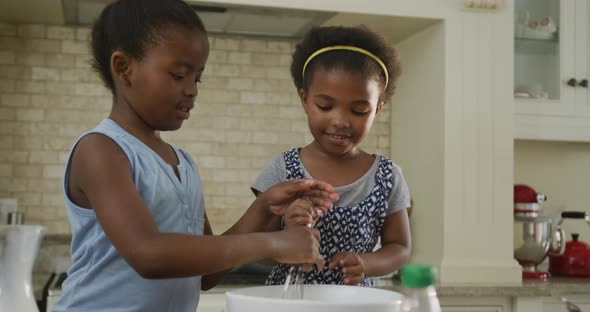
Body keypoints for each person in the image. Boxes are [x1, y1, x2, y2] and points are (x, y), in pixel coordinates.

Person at [52, 1, 338, 311]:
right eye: (178, 75)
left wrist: (263, 207)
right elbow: (148, 254)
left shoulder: (182, 163)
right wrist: (272, 243)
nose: (192, 90)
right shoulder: (101, 150)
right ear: (124, 68)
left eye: (197, 78)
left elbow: (205, 274)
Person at [252, 25, 412, 287]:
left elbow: (400, 248)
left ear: (377, 109)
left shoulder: (387, 176)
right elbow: (255, 247)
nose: (340, 121)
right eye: (325, 106)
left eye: (359, 110)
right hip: (291, 303)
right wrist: (287, 235)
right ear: (305, 100)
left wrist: (366, 263)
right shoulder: (282, 169)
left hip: (355, 304)